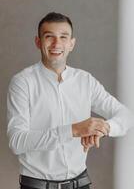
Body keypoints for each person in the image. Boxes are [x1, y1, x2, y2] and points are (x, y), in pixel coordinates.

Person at [7, 12, 133, 189]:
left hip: (81, 183)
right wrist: (73, 130)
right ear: (38, 42)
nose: (57, 44)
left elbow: (126, 116)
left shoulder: (85, 80)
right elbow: (17, 141)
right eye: (49, 36)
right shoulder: (22, 82)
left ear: (71, 44)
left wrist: (102, 129)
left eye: (63, 37)